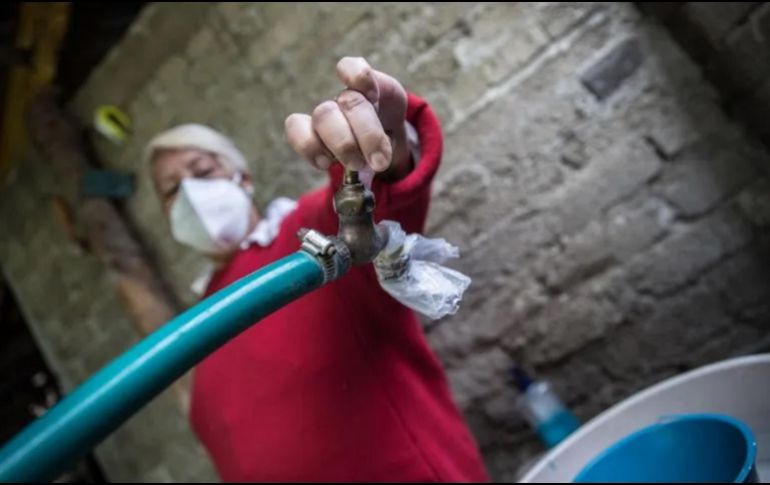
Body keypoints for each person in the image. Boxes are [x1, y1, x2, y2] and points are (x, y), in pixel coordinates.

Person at [146, 57, 489, 482]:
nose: (192, 195)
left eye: (202, 172)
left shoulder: (310, 232)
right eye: (173, 191)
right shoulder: (201, 321)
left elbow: (379, 198)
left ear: (243, 179)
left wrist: (382, 139)